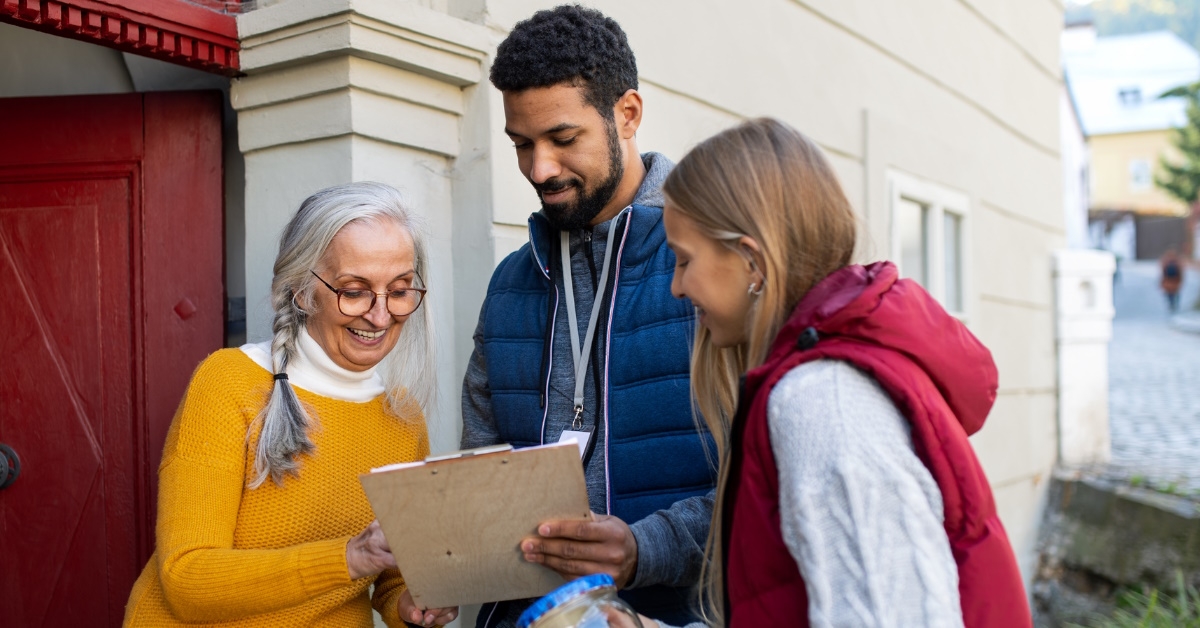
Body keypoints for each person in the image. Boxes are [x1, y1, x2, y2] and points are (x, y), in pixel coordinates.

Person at [637, 118, 1031, 627]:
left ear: (751, 262)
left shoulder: (823, 403)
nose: (676, 287)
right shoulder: (818, 384)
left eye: (683, 260)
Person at [461, 5, 714, 627]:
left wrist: (646, 547)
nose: (539, 168)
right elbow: (481, 462)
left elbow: (770, 484)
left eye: (562, 139)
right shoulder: (510, 284)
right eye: (522, 144)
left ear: (626, 115)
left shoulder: (715, 265)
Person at [122, 182, 457, 627]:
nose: (381, 316)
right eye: (354, 291)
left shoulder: (402, 416)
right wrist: (350, 557)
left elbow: (393, 578)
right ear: (301, 291)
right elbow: (187, 579)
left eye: (399, 291)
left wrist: (412, 607)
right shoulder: (228, 382)